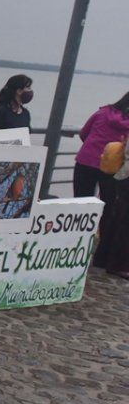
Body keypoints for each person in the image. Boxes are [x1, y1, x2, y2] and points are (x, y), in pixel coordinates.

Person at [76, 92, 129, 278]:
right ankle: (102, 253)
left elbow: (84, 133)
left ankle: (74, 245)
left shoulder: (102, 113)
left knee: (80, 205)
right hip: (110, 168)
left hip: (85, 161)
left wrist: (94, 147)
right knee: (109, 209)